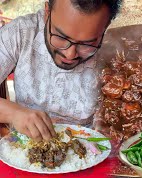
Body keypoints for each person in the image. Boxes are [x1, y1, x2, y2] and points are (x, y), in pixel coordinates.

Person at [0, 0, 122, 141]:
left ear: (105, 27)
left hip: (92, 148)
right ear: (47, 12)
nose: (70, 54)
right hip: (25, 148)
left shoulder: (116, 50)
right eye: (61, 37)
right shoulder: (21, 33)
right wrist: (14, 113)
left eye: (87, 44)